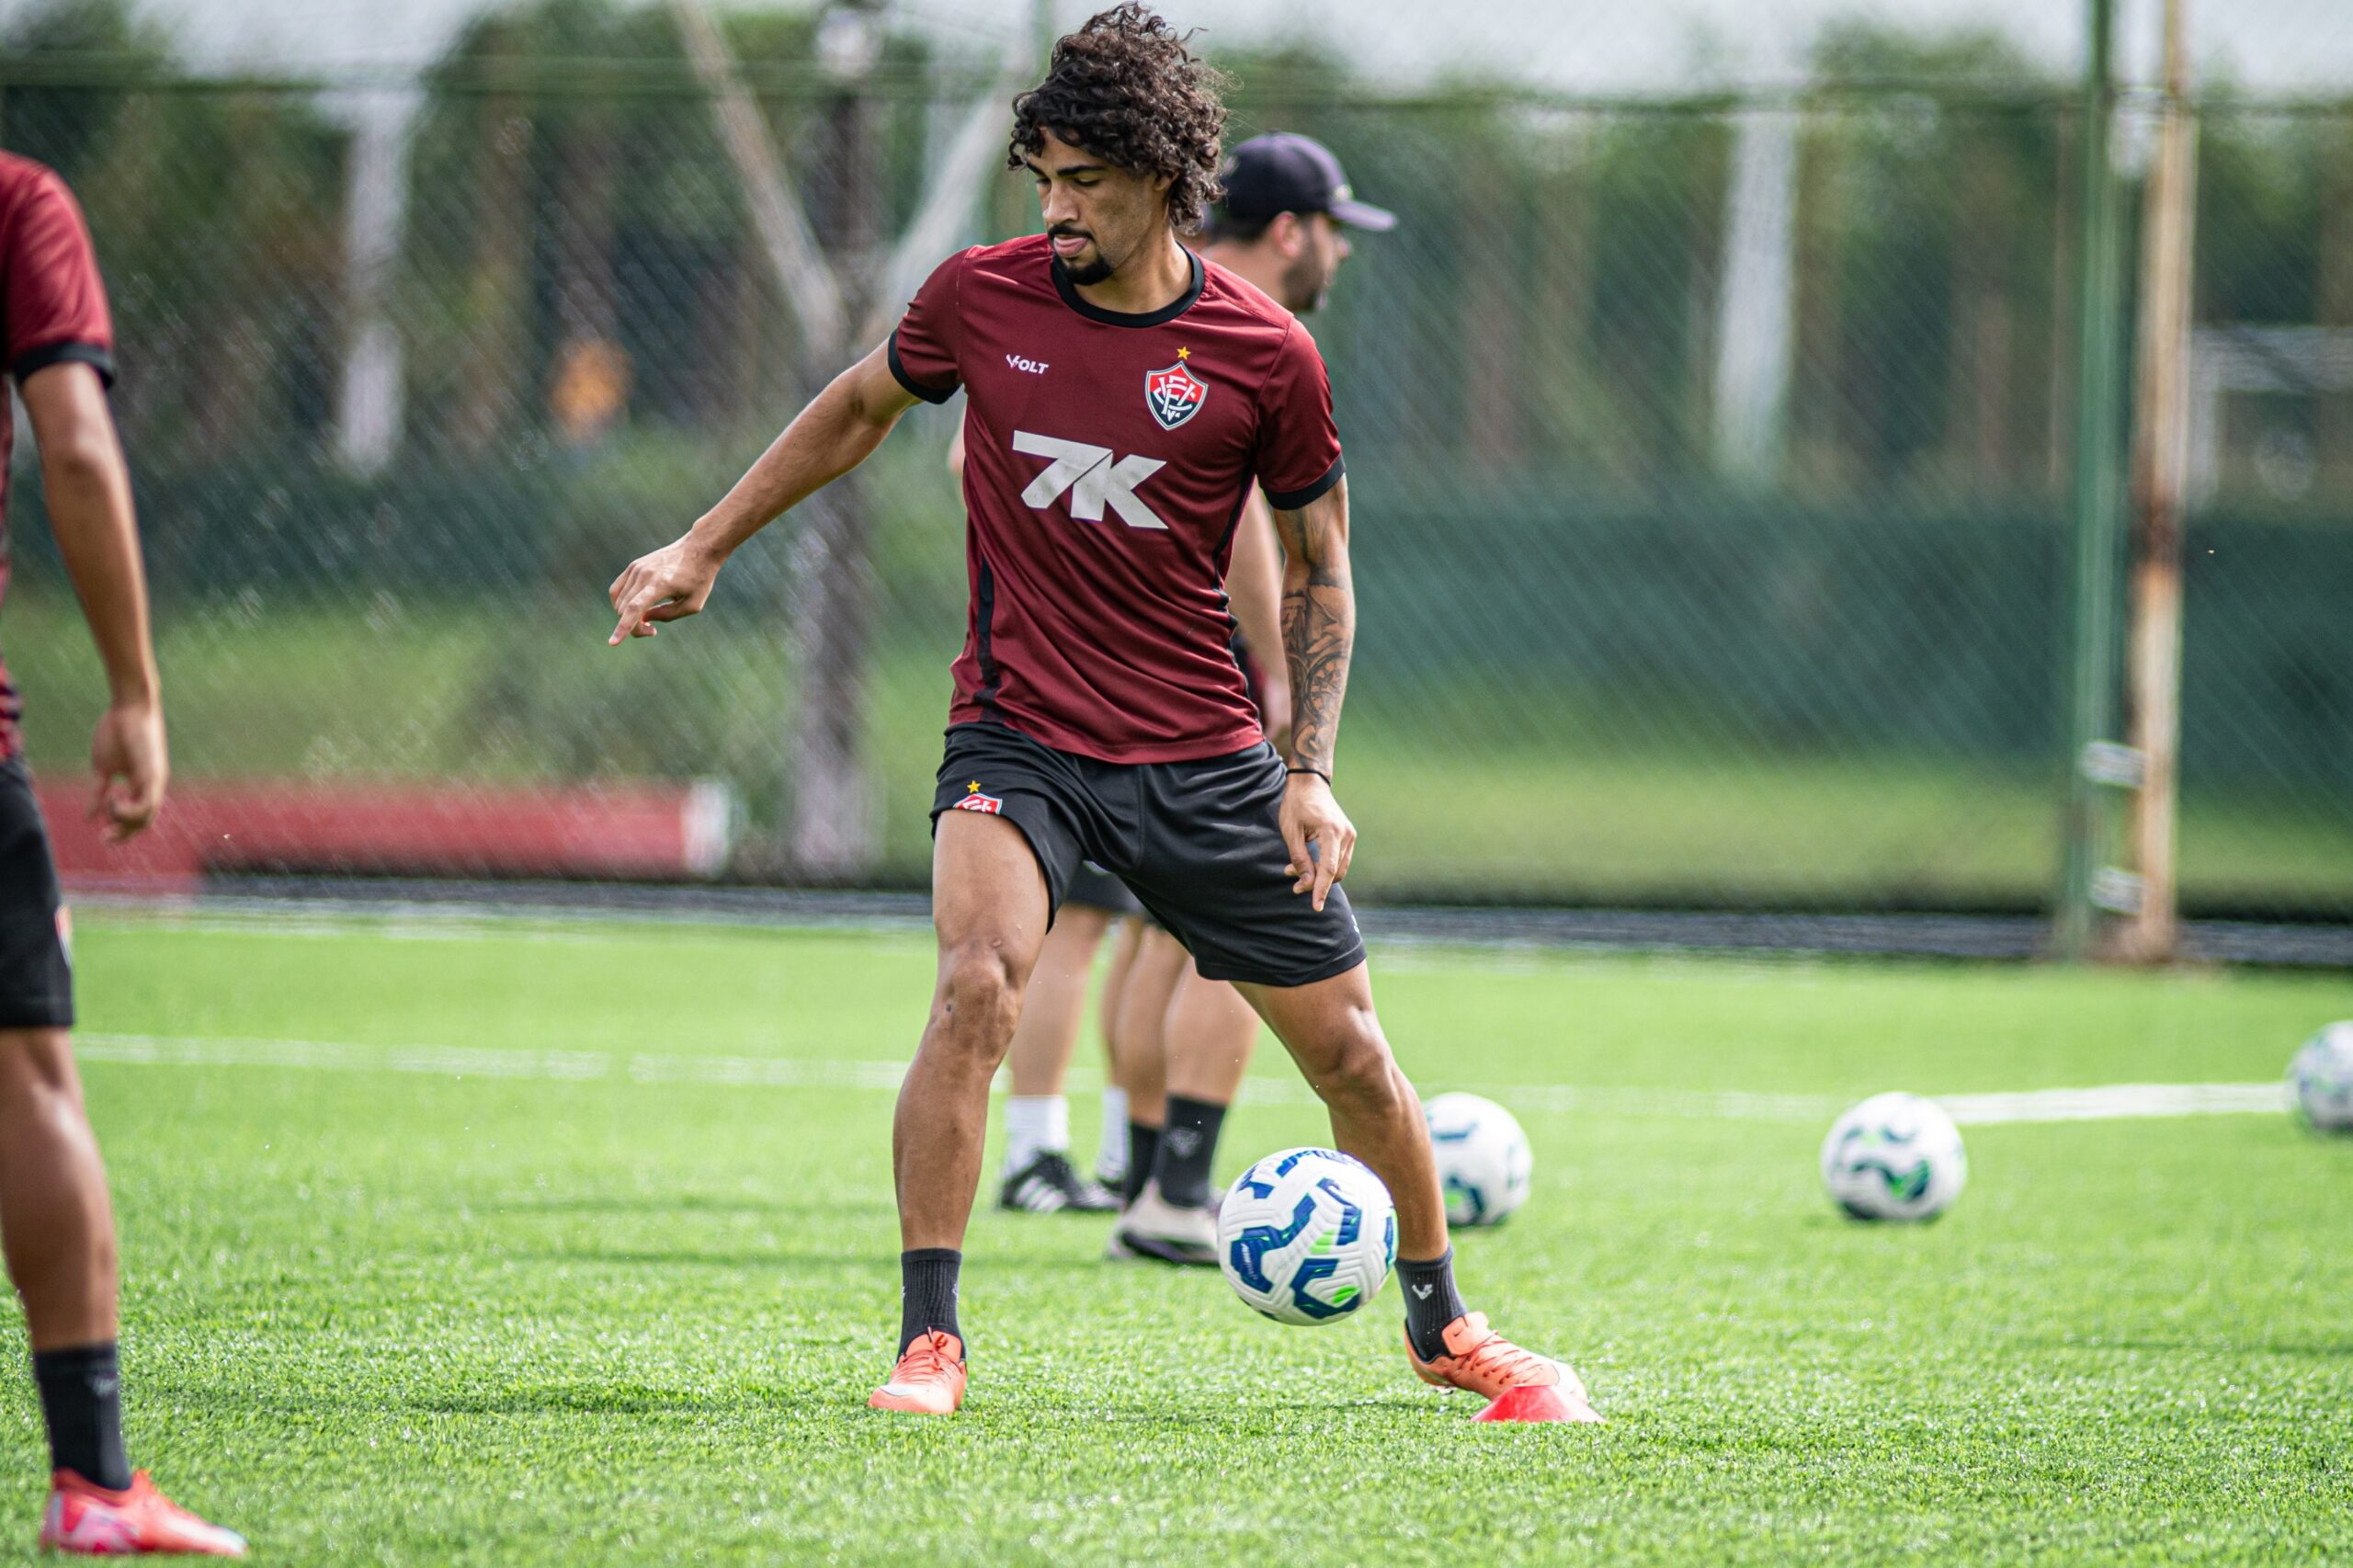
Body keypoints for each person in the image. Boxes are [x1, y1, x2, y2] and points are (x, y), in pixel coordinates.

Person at [607, 3, 1598, 1425]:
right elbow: (856, 408)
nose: (1058, 208)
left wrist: (1305, 769)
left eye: (1087, 182)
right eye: (1045, 180)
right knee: (976, 987)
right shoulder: (980, 298)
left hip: (1205, 755)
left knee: (1355, 1054)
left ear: (1166, 179)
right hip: (1018, 737)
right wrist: (703, 545)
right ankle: (929, 1340)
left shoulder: (1267, 356)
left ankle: (1446, 1327)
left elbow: (1322, 572)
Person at [0, 154, 247, 1554]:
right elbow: (77, 446)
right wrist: (137, 687)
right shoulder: (21, 205)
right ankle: (92, 1481)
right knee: (27, 1074)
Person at [1109, 131, 1392, 1266]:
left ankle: (1140, 1178)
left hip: (1100, 660)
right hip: (1207, 661)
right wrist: (1280, 678)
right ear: (1290, 232)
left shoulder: (1134, 298)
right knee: (1250, 917)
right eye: (1332, 231)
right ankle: (1178, 1189)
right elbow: (1250, 533)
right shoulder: (1247, 335)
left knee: (1150, 935)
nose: (1338, 253)